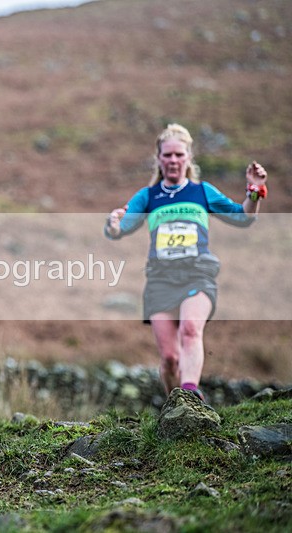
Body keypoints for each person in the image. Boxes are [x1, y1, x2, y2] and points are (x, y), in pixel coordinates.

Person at [104, 123, 267, 402]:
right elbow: (121, 228)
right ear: (158, 159)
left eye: (179, 154)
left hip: (197, 274)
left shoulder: (202, 192)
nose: (173, 160)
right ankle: (176, 409)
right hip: (160, 281)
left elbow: (243, 217)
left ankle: (190, 394)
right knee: (169, 359)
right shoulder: (148, 196)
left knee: (191, 329)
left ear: (188, 157)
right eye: (167, 155)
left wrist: (256, 189)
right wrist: (113, 224)